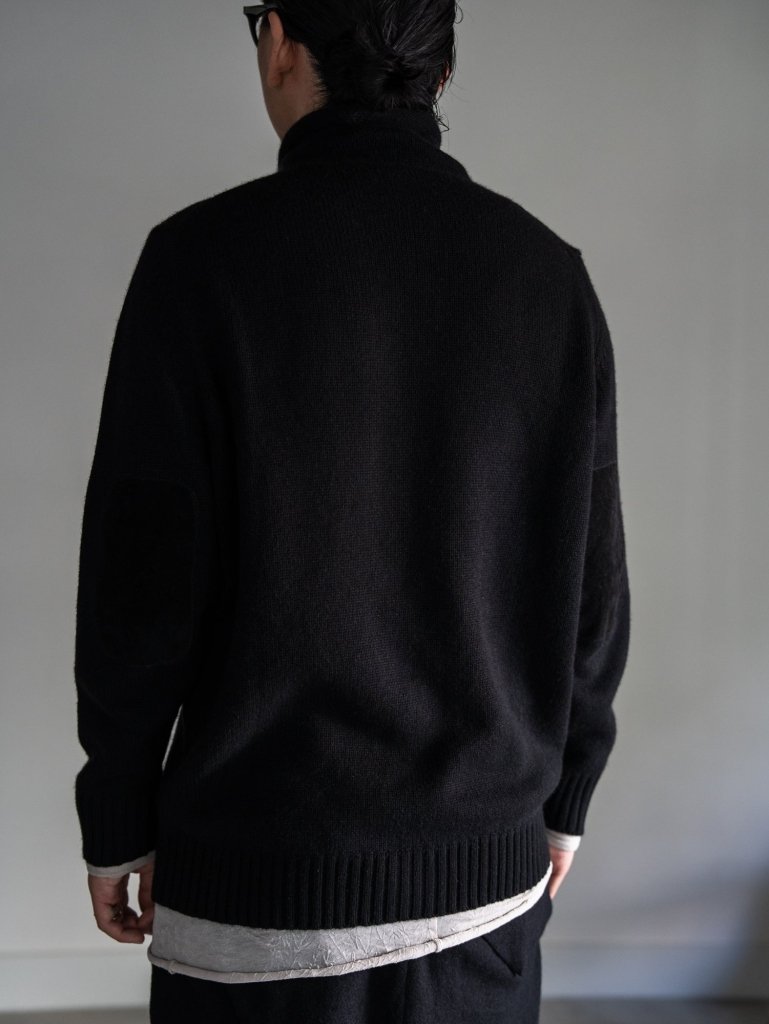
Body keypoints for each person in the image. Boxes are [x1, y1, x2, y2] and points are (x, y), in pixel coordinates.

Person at [74, 2, 631, 1022]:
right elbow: (589, 586)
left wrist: (116, 807)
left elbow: (140, 581)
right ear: (440, 73)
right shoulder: (547, 274)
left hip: (256, 880)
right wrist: (566, 798)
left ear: (279, 42)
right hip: (481, 887)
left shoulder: (199, 262)